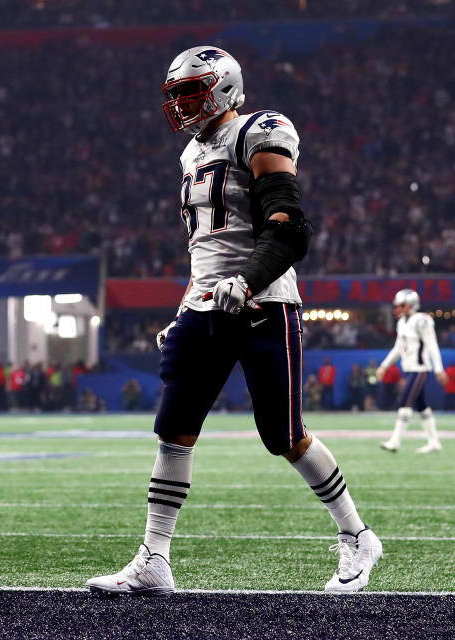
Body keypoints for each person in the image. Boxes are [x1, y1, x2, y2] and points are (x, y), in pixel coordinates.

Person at [86, 46, 380, 596]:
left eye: (191, 92)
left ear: (224, 88)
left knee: (284, 435)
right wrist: (186, 306)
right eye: (175, 94)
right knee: (173, 429)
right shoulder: (190, 154)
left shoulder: (261, 130)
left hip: (263, 303)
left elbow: (290, 229)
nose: (180, 104)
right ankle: (154, 557)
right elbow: (206, 249)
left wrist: (246, 280)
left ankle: (357, 535)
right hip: (203, 305)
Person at [377, 289, 447, 454]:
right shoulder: (402, 322)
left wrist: (439, 370)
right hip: (409, 369)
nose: (398, 308)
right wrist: (384, 365)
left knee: (404, 404)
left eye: (402, 305)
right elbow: (397, 349)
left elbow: (432, 346)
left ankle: (395, 442)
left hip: (420, 369)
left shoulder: (422, 320)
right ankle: (434, 442)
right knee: (422, 407)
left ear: (411, 304)